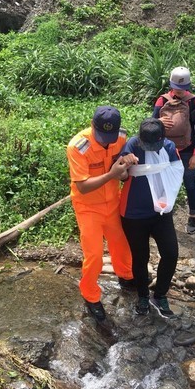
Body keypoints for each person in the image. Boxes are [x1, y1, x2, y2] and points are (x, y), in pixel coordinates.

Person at [66, 106, 138, 322]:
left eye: (110, 137)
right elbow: (83, 187)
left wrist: (126, 170)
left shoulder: (121, 137)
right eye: (102, 136)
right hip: (88, 207)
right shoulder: (78, 147)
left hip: (113, 203)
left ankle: (126, 276)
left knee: (122, 244)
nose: (107, 141)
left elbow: (124, 164)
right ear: (92, 125)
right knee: (95, 255)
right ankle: (90, 295)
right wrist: (112, 174)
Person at [119, 118, 184, 318]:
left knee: (171, 253)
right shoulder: (131, 144)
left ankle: (160, 294)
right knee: (140, 257)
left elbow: (175, 173)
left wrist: (166, 202)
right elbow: (120, 175)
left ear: (162, 138)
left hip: (160, 212)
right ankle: (143, 296)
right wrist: (124, 162)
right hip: (133, 213)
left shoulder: (170, 147)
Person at [152, 66, 195, 235]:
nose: (180, 91)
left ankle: (192, 216)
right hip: (165, 151)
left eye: (183, 88)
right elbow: (150, 125)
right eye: (177, 88)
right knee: (163, 184)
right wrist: (159, 121)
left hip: (187, 150)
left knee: (190, 184)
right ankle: (162, 216)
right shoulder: (162, 100)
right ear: (171, 85)